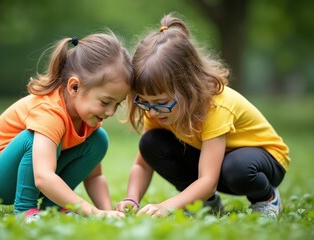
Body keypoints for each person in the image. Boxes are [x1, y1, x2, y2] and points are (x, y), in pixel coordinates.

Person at [116, 13, 290, 218]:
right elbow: (142, 164)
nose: (152, 111)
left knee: (237, 167)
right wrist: (131, 198)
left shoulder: (215, 107)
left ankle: (267, 198)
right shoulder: (157, 107)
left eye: (161, 103)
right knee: (150, 143)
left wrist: (167, 206)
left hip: (262, 162)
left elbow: (208, 181)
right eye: (145, 101)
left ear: (188, 88)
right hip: (216, 164)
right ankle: (207, 204)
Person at [0, 32, 133, 221]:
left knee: (99, 140)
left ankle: (53, 208)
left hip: (35, 171)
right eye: (105, 102)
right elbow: (43, 176)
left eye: (117, 104)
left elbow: (94, 176)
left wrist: (108, 213)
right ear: (74, 87)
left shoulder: (87, 119)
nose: (111, 112)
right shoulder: (49, 111)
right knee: (35, 138)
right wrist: (92, 212)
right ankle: (25, 211)